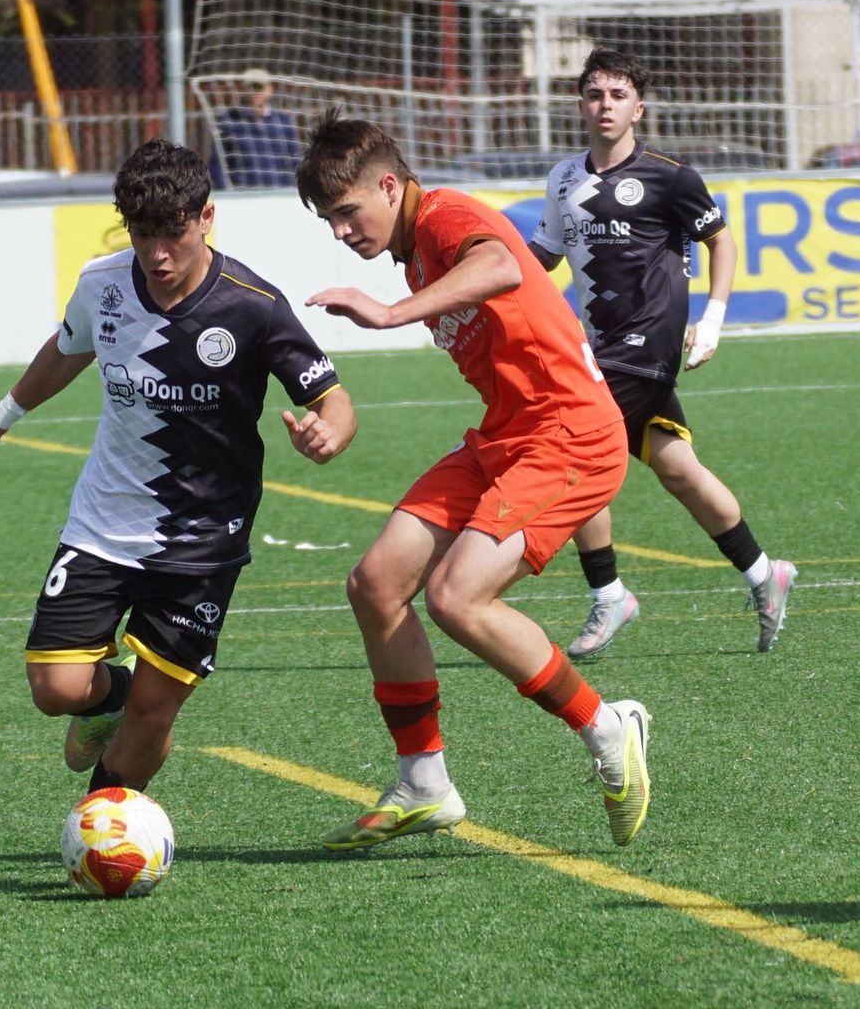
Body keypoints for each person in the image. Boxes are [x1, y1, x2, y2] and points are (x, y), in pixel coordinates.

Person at [0, 139, 356, 797]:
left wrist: (328, 434)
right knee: (56, 689)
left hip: (202, 540)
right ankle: (106, 703)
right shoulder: (102, 285)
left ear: (206, 217)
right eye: (144, 235)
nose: (158, 254)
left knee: (155, 712)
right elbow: (67, 350)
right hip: (103, 523)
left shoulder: (252, 305)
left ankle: (103, 823)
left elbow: (332, 399)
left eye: (173, 233)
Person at [297, 110, 651, 850]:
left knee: (457, 596)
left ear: (389, 185)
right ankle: (425, 782)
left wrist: (393, 314)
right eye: (327, 219)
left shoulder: (447, 217)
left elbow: (503, 265)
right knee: (376, 583)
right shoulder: (412, 247)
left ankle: (606, 725)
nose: (339, 231)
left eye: (346, 212)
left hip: (570, 436)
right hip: (507, 437)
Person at [526, 48, 796, 659]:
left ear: (637, 109)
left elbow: (720, 243)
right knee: (678, 469)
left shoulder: (670, 177)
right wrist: (483, 291)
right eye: (595, 95)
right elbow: (541, 257)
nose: (605, 106)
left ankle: (608, 592)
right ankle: (764, 575)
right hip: (593, 348)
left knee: (573, 451)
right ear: (580, 105)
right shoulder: (563, 178)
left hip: (647, 344)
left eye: (617, 96)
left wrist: (715, 319)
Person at [208, 68, 303, 189]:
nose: (254, 92)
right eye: (250, 87)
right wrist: (226, 192)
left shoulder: (283, 122)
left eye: (259, 87)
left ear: (270, 89)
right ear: (243, 89)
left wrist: (294, 190)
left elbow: (294, 161)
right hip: (243, 195)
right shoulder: (229, 121)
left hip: (280, 194)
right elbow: (217, 164)